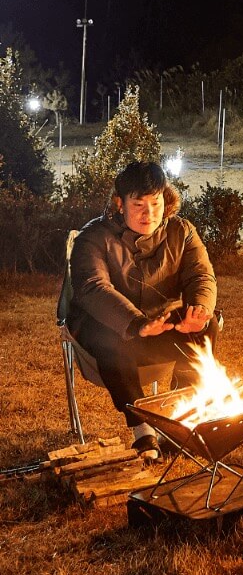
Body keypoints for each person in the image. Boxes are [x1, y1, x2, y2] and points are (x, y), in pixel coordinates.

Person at [68, 160, 219, 461]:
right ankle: (144, 432)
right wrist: (135, 323)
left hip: (160, 326)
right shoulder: (94, 237)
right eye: (138, 204)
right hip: (115, 330)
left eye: (155, 203)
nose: (148, 213)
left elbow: (200, 276)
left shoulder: (181, 231)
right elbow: (93, 287)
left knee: (208, 325)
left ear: (166, 199)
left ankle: (177, 420)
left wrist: (198, 310)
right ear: (119, 203)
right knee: (109, 335)